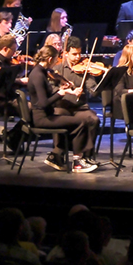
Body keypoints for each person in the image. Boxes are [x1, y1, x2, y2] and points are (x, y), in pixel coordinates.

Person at [26, 45, 99, 173]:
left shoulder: (41, 71)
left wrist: (64, 86)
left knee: (78, 120)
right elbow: (43, 103)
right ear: (49, 59)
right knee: (81, 122)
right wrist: (61, 93)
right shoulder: (38, 75)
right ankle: (77, 162)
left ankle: (57, 156)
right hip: (42, 118)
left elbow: (51, 81)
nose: (56, 62)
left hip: (46, 115)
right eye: (55, 59)